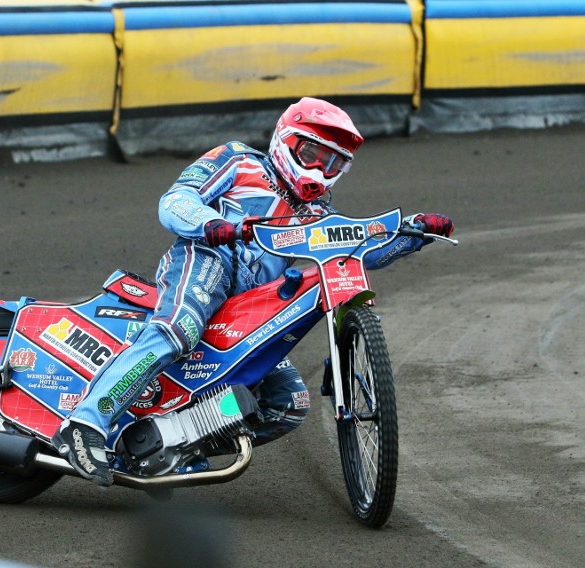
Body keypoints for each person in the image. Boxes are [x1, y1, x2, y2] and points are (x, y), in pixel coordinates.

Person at [52, 97, 454, 486]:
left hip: (247, 307)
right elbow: (175, 200)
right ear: (286, 139)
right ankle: (85, 423)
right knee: (180, 329)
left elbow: (360, 251)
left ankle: (172, 442)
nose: (320, 168)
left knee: (288, 403)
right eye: (312, 153)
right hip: (207, 257)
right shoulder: (238, 159)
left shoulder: (319, 216)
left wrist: (415, 232)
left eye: (333, 162)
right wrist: (210, 222)